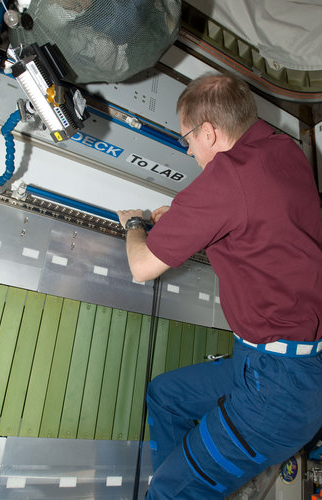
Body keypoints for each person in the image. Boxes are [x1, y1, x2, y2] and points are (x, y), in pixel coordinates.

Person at [117, 73, 322, 499]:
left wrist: (135, 225)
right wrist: (181, 217)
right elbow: (254, 229)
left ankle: (177, 489)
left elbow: (141, 266)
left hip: (274, 392)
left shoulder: (227, 179)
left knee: (170, 495)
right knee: (165, 396)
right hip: (281, 368)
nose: (188, 149)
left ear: (208, 131)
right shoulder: (282, 149)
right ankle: (182, 480)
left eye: (187, 140)